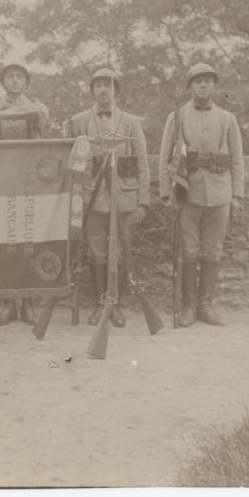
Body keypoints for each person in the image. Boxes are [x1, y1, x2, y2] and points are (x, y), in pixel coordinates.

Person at [158, 63, 244, 327]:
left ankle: (206, 304)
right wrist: (166, 194)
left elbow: (237, 160)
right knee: (189, 251)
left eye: (208, 81)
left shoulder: (227, 119)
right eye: (197, 81)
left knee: (213, 250)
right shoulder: (177, 117)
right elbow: (164, 158)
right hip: (188, 192)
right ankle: (188, 306)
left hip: (220, 193)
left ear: (215, 86)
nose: (203, 85)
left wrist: (237, 195)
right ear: (189, 86)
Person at [69, 68, 150, 327]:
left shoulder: (130, 122)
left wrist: (143, 201)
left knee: (121, 253)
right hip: (93, 199)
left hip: (124, 198)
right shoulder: (78, 120)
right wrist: (76, 202)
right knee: (96, 255)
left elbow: (142, 163)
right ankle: (100, 303)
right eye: (98, 85)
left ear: (116, 90)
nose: (103, 90)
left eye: (109, 85)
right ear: (92, 90)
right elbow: (71, 164)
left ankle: (115, 304)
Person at [0, 63, 49, 326]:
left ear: (26, 83)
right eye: (10, 77)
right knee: (7, 244)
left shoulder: (36, 107)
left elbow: (40, 115)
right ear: (3, 82)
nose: (15, 81)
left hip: (30, 183)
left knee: (29, 241)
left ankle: (28, 303)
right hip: (3, 183)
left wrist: (7, 112)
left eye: (20, 77)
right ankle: (8, 304)